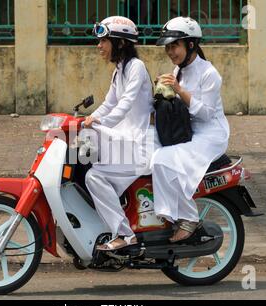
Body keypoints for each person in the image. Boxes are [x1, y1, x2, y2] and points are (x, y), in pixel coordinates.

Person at [151, 17, 230, 243]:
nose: (170, 51)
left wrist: (178, 89)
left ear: (191, 45)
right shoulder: (178, 70)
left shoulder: (209, 74)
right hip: (187, 130)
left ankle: (188, 218)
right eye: (167, 47)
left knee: (162, 160)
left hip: (210, 135)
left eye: (174, 45)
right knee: (145, 147)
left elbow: (205, 113)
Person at [84, 16, 158, 251]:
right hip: (126, 142)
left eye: (104, 41)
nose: (99, 46)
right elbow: (109, 103)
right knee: (86, 163)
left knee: (95, 177)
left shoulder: (135, 68)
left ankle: (125, 235)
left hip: (140, 147)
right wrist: (89, 119)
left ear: (121, 43)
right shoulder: (120, 69)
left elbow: (125, 104)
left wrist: (98, 122)